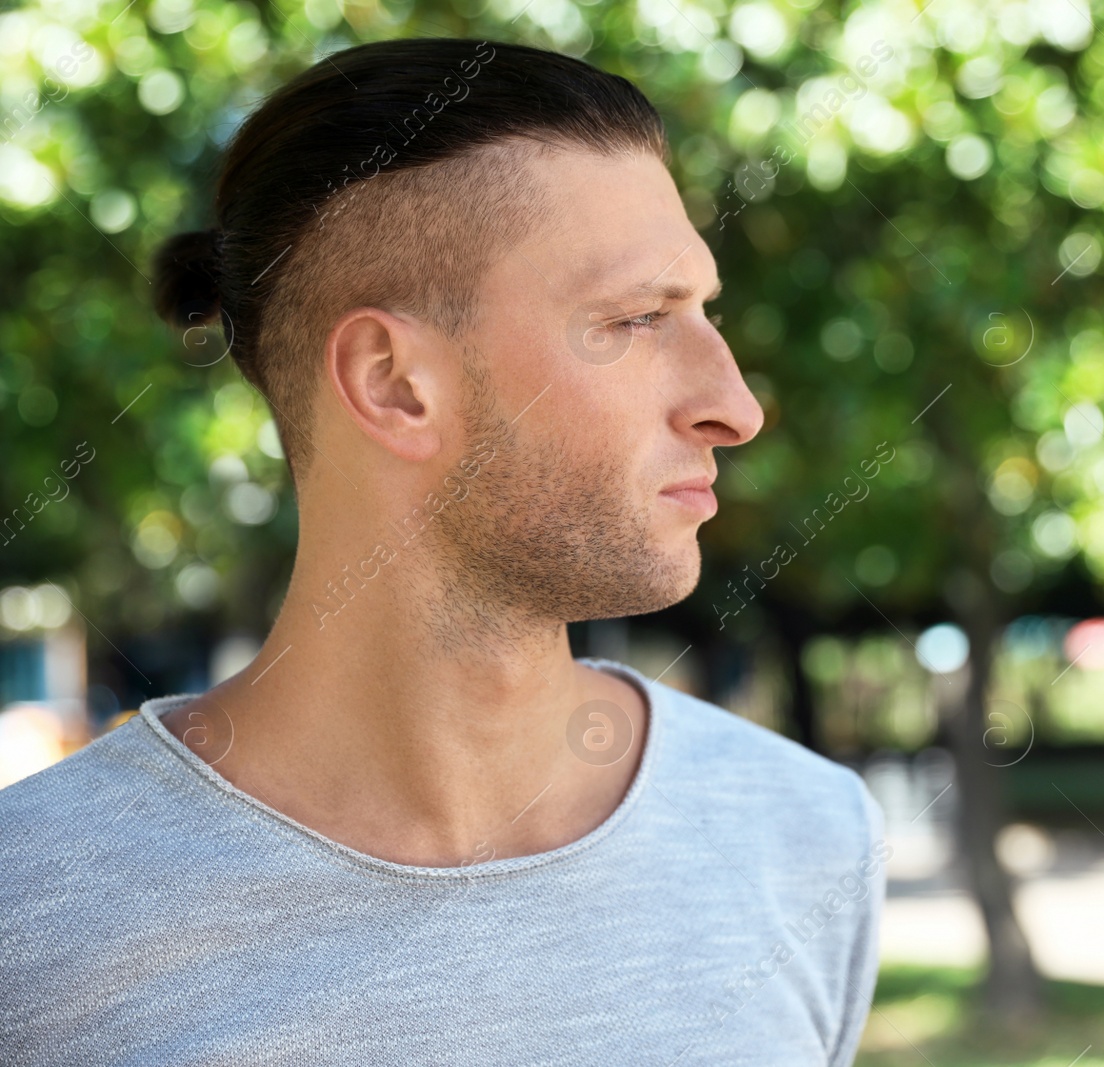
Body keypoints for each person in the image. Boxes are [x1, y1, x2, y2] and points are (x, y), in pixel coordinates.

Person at [0, 38, 885, 1066]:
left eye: (704, 311)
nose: (732, 405)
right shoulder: (34, 918)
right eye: (637, 319)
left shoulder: (801, 836)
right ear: (393, 383)